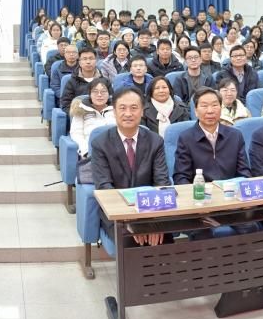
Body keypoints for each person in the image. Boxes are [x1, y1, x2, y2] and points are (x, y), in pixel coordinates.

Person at [92, 88, 172, 246]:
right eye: (122, 108)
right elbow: (105, 187)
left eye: (134, 108)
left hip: (150, 211)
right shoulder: (100, 144)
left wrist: (155, 222)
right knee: (131, 242)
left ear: (142, 111)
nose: (128, 113)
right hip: (117, 214)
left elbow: (162, 182)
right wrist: (132, 223)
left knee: (165, 240)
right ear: (114, 112)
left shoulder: (155, 141)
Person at [173, 88, 249, 185]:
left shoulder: (235, 135)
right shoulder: (186, 138)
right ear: (196, 111)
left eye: (214, 105)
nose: (210, 111)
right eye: (204, 106)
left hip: (231, 191)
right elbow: (181, 177)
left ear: (221, 108)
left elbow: (244, 172)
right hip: (200, 192)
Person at [69, 79, 115, 180]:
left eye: (103, 91)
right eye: (95, 91)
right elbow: (76, 133)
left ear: (109, 94)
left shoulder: (116, 109)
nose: (99, 95)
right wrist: (85, 149)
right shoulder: (81, 110)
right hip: (90, 152)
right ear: (89, 94)